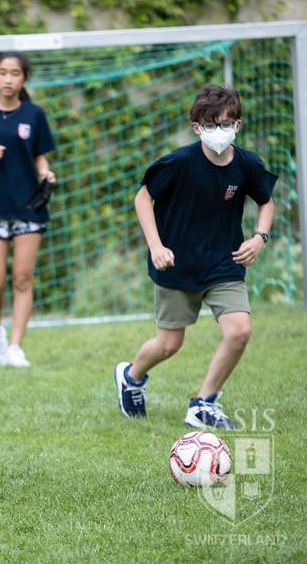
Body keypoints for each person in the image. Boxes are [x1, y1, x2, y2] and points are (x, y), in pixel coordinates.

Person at [114, 85, 276, 429]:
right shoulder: (178, 162)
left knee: (239, 331)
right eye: (212, 124)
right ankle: (130, 376)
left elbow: (266, 201)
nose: (220, 131)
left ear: (238, 124)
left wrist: (259, 237)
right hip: (176, 264)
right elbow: (142, 199)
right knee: (169, 343)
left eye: (227, 124)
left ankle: (204, 404)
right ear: (196, 127)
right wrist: (156, 246)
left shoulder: (246, 164)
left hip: (224, 263)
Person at [0, 52, 56, 367]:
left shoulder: (34, 114)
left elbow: (40, 158)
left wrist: (46, 173)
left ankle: (16, 346)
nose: (8, 79)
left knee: (22, 279)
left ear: (23, 78)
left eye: (14, 73)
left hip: (28, 207)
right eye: (3, 72)